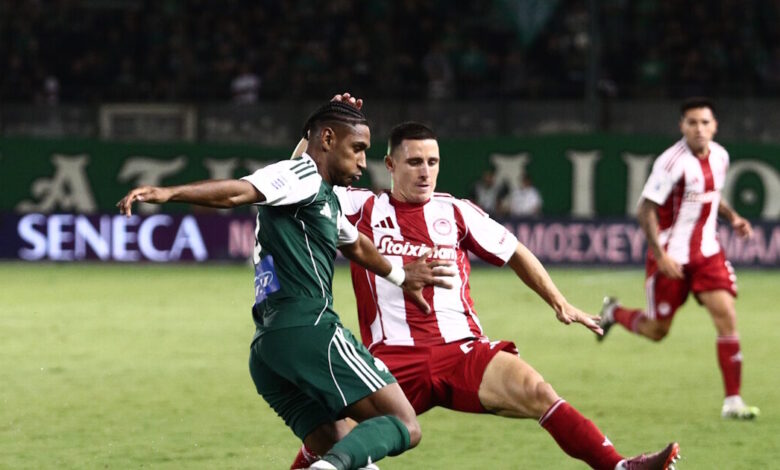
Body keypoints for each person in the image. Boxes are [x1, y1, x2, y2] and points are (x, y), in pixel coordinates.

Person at [290, 119, 680, 470]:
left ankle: (619, 466)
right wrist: (322, 122)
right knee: (331, 434)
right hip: (392, 360)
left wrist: (558, 301)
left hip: (461, 351)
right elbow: (298, 178)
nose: (425, 172)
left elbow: (516, 252)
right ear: (390, 165)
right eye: (414, 162)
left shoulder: (457, 212)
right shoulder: (360, 206)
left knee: (537, 391)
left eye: (433, 162)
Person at [117, 96, 457, 470]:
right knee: (404, 425)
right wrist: (169, 193)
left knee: (345, 454)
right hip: (310, 331)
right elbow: (238, 191)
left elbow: (357, 245)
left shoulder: (319, 197)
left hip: (269, 351)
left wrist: (401, 276)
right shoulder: (303, 179)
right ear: (328, 139)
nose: (363, 161)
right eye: (358, 148)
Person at [597, 97, 759, 420]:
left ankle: (733, 402)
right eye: (692, 123)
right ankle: (614, 312)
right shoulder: (671, 163)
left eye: (704, 122)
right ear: (681, 126)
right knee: (657, 330)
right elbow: (645, 209)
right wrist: (660, 256)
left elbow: (711, 195)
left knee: (726, 315)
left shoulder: (721, 156)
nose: (699, 129)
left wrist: (733, 217)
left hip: (708, 254)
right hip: (671, 258)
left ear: (715, 126)